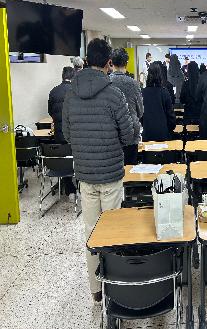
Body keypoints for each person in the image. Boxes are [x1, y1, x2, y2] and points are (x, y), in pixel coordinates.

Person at [62, 38, 134, 303]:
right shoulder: (114, 94)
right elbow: (128, 135)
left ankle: (96, 289)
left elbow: (67, 133)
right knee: (113, 230)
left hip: (85, 173)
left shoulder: (71, 94)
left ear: (86, 60)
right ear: (108, 63)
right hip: (111, 173)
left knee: (91, 231)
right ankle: (115, 287)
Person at [110, 48, 144, 165]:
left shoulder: (106, 82)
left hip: (111, 134)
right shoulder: (134, 83)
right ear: (127, 63)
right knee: (130, 168)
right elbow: (140, 111)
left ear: (111, 62)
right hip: (131, 132)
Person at [48, 66, 77, 200]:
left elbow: (50, 111)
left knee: (64, 161)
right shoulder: (76, 91)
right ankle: (79, 187)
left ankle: (69, 189)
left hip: (59, 134)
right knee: (78, 161)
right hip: (74, 134)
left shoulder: (53, 91)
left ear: (62, 76)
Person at [142, 61, 176, 141]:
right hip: (163, 134)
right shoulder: (164, 92)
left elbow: (140, 115)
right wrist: (169, 128)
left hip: (147, 133)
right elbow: (170, 116)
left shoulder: (142, 93)